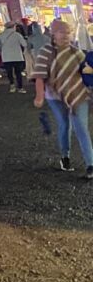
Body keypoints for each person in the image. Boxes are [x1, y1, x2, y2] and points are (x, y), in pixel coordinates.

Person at [31, 20, 93, 179]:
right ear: (53, 34)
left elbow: (86, 71)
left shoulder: (76, 52)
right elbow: (39, 76)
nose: (66, 36)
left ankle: (90, 165)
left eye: (68, 32)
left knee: (82, 128)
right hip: (54, 95)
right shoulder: (46, 52)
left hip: (78, 94)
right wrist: (39, 96)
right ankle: (65, 157)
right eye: (62, 32)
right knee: (65, 125)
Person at [0, 22, 29, 93]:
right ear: (13, 27)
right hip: (17, 57)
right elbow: (24, 44)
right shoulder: (17, 35)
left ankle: (12, 85)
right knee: (18, 73)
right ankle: (20, 87)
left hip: (6, 57)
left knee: (9, 73)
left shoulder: (0, 35)